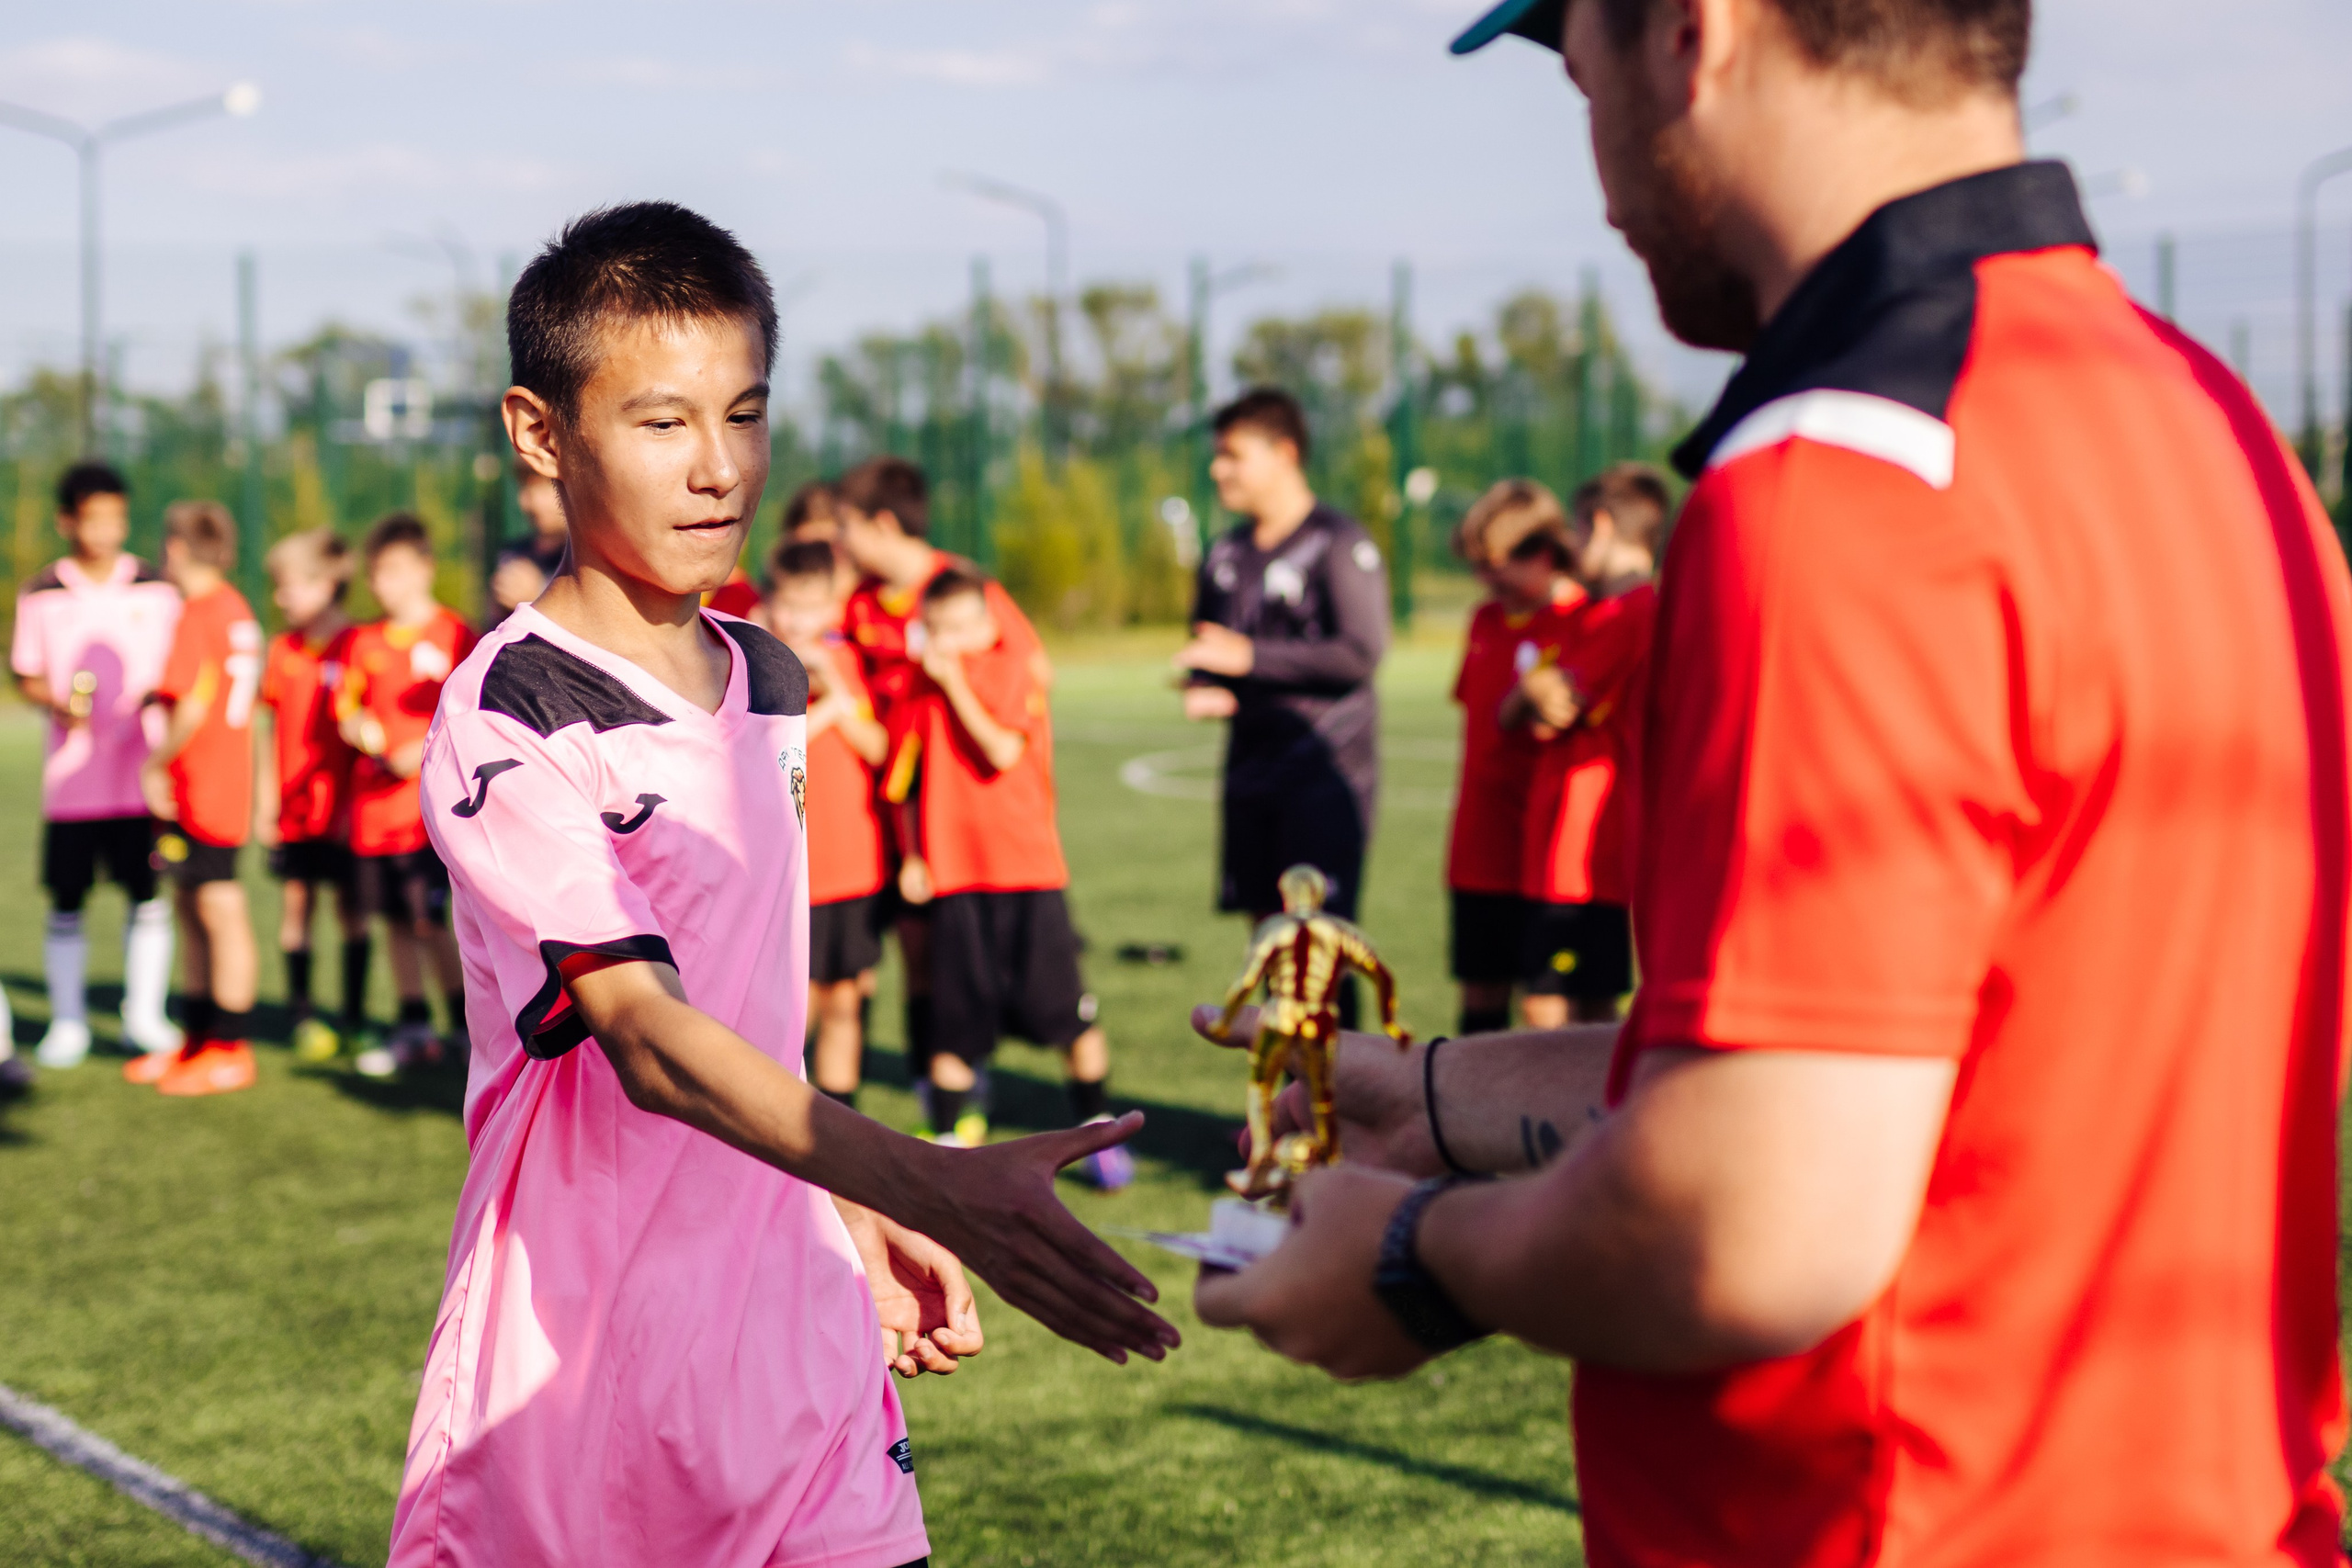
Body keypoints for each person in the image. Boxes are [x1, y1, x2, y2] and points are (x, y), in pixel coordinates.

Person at [1193, 0, 2352, 1564]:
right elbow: (1929, 1070)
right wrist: (1439, 1098)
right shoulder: (2215, 428)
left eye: (1572, 56)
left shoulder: (1844, 479)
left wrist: (1412, 1255)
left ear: (1696, 31)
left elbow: (1756, 1221)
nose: (1592, 147)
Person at [389, 199, 1170, 1568]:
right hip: (578, 1381)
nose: (718, 469)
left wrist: (842, 1204)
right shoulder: (508, 715)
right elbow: (649, 1040)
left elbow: (755, 1024)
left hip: (800, 1353)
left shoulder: (772, 678)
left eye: (744, 414)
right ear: (538, 430)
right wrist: (929, 1176)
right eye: (661, 421)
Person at [883, 566, 1132, 1189]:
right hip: (957, 880)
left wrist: (955, 681)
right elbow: (902, 783)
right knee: (953, 1023)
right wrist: (913, 855)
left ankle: (1097, 1131)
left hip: (1026, 872)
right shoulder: (918, 687)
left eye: (966, 626)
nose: (953, 641)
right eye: (940, 630)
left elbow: (999, 749)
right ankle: (947, 1138)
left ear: (989, 625)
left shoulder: (1010, 668)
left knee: (1067, 1017)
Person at [836, 456, 1047, 1092]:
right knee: (912, 949)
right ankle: (935, 1074)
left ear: (879, 524)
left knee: (961, 952)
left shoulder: (961, 587)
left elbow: (1032, 672)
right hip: (890, 805)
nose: (841, 543)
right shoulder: (863, 603)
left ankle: (962, 1072)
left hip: (962, 808)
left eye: (846, 526)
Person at [1175, 387, 1390, 939]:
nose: (1219, 470)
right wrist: (1206, 681)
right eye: (1217, 456)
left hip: (1323, 774)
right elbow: (1211, 644)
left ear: (1285, 453)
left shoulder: (1337, 542)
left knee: (1320, 952)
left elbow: (1361, 653)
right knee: (1267, 947)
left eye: (1234, 455)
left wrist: (1248, 657)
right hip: (1250, 771)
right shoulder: (1225, 552)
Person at [9, 462, 182, 1082]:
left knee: (147, 894)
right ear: (67, 521)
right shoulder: (42, 592)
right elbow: (25, 671)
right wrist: (51, 699)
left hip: (143, 776)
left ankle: (146, 1015)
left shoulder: (157, 586)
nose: (106, 529)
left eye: (116, 516)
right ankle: (69, 1021)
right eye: (93, 517)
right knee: (67, 901)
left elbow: (182, 667)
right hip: (73, 784)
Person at [1504, 465, 1664, 1028]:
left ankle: (1553, 1120)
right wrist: (1530, 692)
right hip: (1598, 845)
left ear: (1599, 526)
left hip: (1583, 847)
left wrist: (1530, 691)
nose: (1569, 544)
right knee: (1594, 1010)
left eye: (1574, 528)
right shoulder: (1608, 610)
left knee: (1547, 1008)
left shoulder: (1627, 613)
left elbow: (1551, 712)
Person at [127, 502, 263, 1097]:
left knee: (218, 908)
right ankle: (199, 1038)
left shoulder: (199, 612)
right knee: (192, 904)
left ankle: (231, 1047)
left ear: (177, 549)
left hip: (204, 785)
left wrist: (155, 761)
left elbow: (192, 704)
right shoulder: (235, 607)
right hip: (217, 781)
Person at [334, 514, 475, 1077]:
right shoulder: (362, 641)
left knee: (430, 920)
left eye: (393, 571)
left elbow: (472, 713)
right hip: (374, 814)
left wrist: (419, 748)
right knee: (394, 920)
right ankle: (413, 1026)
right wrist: (360, 730)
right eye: (376, 574)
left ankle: (465, 1028)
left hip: (431, 817)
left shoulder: (454, 634)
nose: (382, 585)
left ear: (424, 570)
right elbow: (346, 707)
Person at [1442, 479, 1582, 1036]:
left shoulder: (1585, 623)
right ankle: (1470, 1123)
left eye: (1495, 564)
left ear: (1543, 553)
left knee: (1550, 1009)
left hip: (1549, 850)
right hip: (1480, 843)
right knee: (1481, 995)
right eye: (1478, 566)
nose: (1485, 580)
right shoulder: (1484, 621)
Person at [764, 538, 889, 1109]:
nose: (802, 620)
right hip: (797, 870)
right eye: (790, 605)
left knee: (847, 998)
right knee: (799, 1004)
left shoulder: (848, 663)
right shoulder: (760, 668)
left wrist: (838, 690)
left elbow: (877, 744)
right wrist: (828, 712)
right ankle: (788, 1121)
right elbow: (770, 753)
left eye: (814, 607)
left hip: (855, 864)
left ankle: (844, 1129)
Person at [255, 527, 369, 1064]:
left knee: (352, 911)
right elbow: (267, 728)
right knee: (297, 907)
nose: (281, 599)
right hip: (294, 812)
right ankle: (302, 1013)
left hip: (347, 812)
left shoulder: (358, 646)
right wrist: (264, 802)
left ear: (328, 584)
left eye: (290, 586)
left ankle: (353, 1019)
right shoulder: (281, 650)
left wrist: (354, 806)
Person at [484, 468, 568, 628]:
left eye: (542, 488)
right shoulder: (512, 553)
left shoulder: (587, 557)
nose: (530, 502)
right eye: (525, 488)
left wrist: (538, 600)